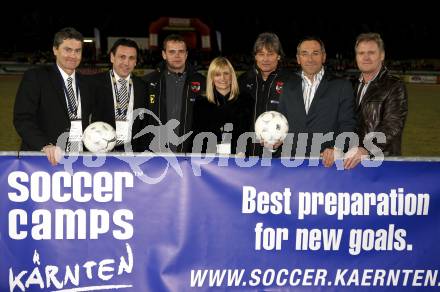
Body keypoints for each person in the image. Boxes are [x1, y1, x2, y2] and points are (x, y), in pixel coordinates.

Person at [13, 27, 93, 165]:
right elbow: (23, 119)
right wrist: (45, 145)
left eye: (77, 51)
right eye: (67, 50)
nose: (73, 56)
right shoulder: (36, 77)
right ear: (55, 50)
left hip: (79, 161)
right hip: (46, 160)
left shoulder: (87, 83)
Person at [278, 36, 356, 167]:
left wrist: (337, 149)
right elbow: (281, 124)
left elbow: (348, 124)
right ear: (298, 58)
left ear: (323, 56)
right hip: (292, 165)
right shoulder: (287, 87)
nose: (310, 59)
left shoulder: (342, 86)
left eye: (315, 53)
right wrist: (274, 141)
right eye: (305, 54)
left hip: (326, 164)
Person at [343, 33, 408, 169]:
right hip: (350, 162)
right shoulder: (350, 84)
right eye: (361, 53)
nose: (365, 57)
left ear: (382, 55)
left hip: (381, 164)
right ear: (356, 57)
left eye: (371, 52)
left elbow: (393, 125)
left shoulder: (394, 85)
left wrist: (366, 149)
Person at [143, 34, 206, 153]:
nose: (177, 55)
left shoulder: (202, 82)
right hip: (155, 153)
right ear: (164, 54)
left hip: (191, 153)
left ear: (186, 54)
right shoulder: (148, 82)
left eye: (181, 51)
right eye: (172, 52)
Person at [238, 32, 297, 157]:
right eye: (261, 54)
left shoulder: (291, 81)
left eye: (270, 54)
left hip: (280, 157)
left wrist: (283, 140)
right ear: (255, 56)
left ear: (279, 56)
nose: (265, 59)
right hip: (247, 155)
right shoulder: (244, 80)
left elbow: (298, 119)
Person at [92, 38, 148, 152]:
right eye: (122, 57)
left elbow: (144, 123)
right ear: (112, 57)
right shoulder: (93, 84)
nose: (126, 63)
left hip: (133, 153)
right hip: (101, 151)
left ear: (136, 61)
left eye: (131, 58)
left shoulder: (143, 87)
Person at [193, 57, 252, 154]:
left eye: (226, 73)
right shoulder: (201, 103)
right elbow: (197, 137)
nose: (222, 78)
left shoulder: (246, 100)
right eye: (217, 74)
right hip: (210, 161)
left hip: (240, 159)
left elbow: (249, 133)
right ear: (211, 77)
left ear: (232, 76)